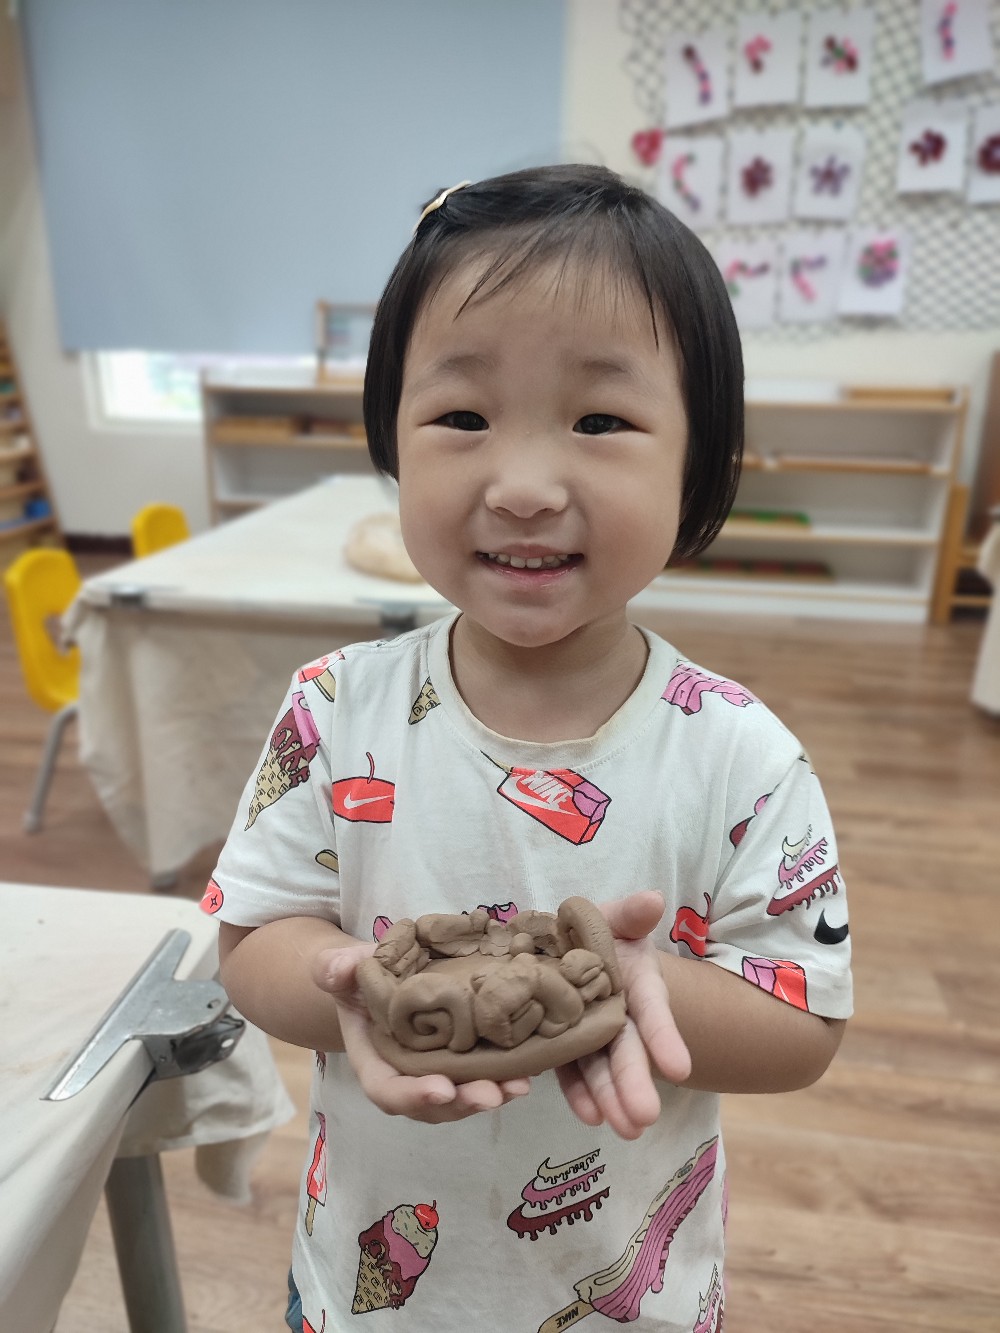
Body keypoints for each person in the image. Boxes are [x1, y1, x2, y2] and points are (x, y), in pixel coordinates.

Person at [204, 164, 852, 1333]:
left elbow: (803, 1023)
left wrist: (640, 987)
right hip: (367, 1283)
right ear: (391, 442)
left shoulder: (742, 755)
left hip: (624, 1295)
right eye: (462, 418)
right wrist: (347, 987)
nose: (521, 486)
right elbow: (250, 940)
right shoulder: (332, 708)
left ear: (698, 459)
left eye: (600, 421)